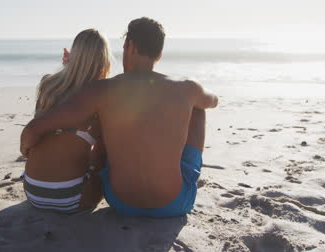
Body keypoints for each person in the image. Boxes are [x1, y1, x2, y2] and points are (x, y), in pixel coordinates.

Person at [21, 17, 218, 217]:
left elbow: (40, 125)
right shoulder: (187, 87)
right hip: (173, 205)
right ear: (159, 54)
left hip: (120, 201)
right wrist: (193, 93)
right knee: (198, 108)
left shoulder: (101, 90)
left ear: (129, 46)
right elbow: (213, 101)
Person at [21, 29, 111, 213]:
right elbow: (101, 153)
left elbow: (30, 142)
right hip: (70, 197)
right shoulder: (99, 96)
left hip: (32, 190)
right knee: (106, 162)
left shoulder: (49, 84)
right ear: (104, 60)